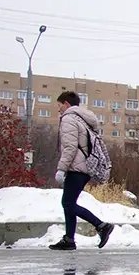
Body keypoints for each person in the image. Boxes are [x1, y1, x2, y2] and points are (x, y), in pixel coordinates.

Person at [49, 91, 113, 251]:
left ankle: (101, 226)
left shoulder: (69, 119)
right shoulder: (82, 119)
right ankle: (69, 239)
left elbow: (70, 147)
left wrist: (61, 169)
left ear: (66, 104)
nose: (58, 109)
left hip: (76, 168)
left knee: (68, 203)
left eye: (59, 105)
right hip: (85, 167)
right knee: (69, 203)